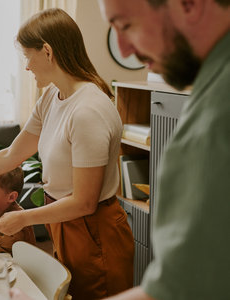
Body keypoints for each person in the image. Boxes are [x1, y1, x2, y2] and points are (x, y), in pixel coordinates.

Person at [0, 8, 134, 299]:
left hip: (93, 230)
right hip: (65, 223)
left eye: (27, 56)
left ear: (47, 51)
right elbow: (12, 154)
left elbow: (84, 202)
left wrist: (21, 218)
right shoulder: (51, 97)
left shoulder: (88, 110)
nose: (27, 67)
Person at [96, 0, 230, 299]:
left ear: (189, 4)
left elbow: (178, 291)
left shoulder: (218, 115)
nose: (125, 49)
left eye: (126, 25)